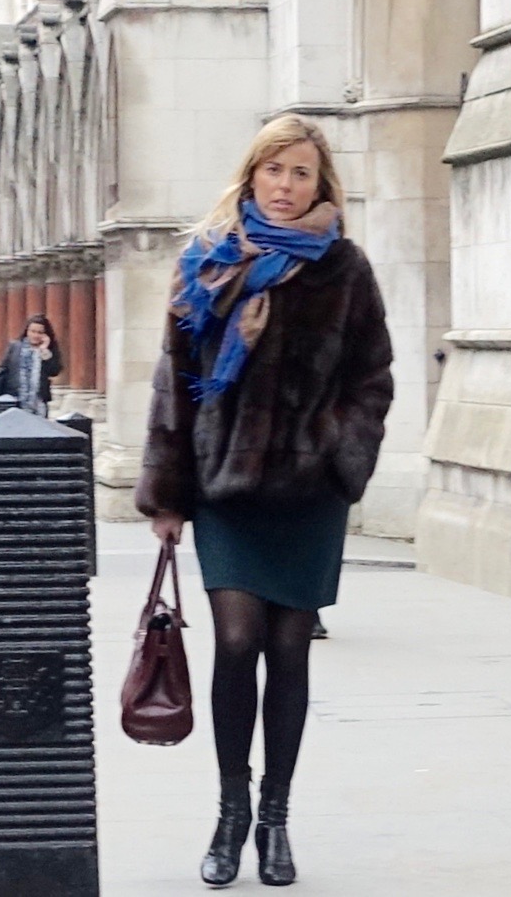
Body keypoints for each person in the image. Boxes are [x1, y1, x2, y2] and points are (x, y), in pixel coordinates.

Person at [134, 113, 393, 888]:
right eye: (273, 171)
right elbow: (174, 386)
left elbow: (372, 379)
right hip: (225, 491)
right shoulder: (205, 263)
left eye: (301, 174)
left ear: (322, 184)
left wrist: (334, 449)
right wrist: (167, 497)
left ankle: (276, 817)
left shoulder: (345, 269)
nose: (285, 187)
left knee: (287, 650)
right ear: (251, 176)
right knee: (237, 642)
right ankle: (229, 811)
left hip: (310, 493)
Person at [0, 314, 63, 417]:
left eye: (40, 332)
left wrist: (44, 350)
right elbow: (2, 370)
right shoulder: (15, 347)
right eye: (32, 331)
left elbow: (54, 371)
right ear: (27, 331)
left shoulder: (48, 351)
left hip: (38, 402)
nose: (35, 335)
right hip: (14, 397)